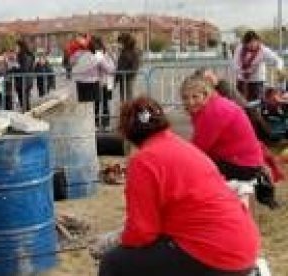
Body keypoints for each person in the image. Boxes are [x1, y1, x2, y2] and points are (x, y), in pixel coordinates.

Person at [98, 97, 259, 276]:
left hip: (214, 255)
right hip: (243, 246)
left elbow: (142, 231)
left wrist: (117, 240)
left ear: (127, 133)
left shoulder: (143, 160)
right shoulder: (183, 146)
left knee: (113, 262)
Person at [180, 75, 265, 208]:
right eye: (185, 98)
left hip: (242, 165)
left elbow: (198, 148)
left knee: (192, 171)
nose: (190, 102)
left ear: (205, 94)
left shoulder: (213, 112)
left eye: (195, 97)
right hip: (247, 161)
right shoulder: (214, 104)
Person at [233, 30, 284, 101]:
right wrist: (244, 72)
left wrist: (279, 69)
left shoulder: (263, 50)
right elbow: (235, 64)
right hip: (242, 81)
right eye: (249, 43)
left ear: (258, 41)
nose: (252, 45)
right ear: (245, 43)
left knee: (255, 104)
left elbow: (278, 60)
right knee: (240, 103)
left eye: (254, 42)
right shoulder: (239, 49)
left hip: (257, 82)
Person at [116, 33, 140, 102]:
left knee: (127, 97)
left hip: (126, 78)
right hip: (126, 77)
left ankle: (127, 110)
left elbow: (121, 66)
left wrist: (115, 79)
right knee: (127, 96)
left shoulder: (127, 53)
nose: (118, 45)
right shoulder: (131, 51)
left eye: (119, 42)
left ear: (124, 42)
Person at [15, 39, 35, 111]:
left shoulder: (24, 56)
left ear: (20, 47)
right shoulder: (29, 55)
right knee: (25, 99)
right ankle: (26, 113)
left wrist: (14, 68)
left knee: (24, 100)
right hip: (26, 81)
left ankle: (26, 114)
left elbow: (24, 69)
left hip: (23, 81)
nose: (15, 48)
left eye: (16, 47)